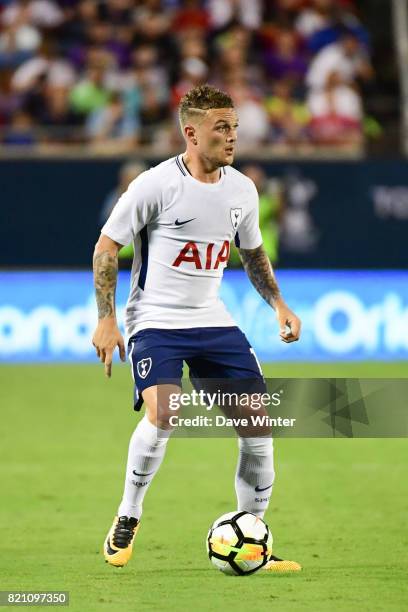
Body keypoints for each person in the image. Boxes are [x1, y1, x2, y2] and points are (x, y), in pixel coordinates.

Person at [92, 84, 302, 572]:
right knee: (165, 411)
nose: (232, 137)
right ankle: (127, 517)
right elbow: (106, 248)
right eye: (221, 128)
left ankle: (253, 537)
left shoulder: (242, 189)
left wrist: (278, 303)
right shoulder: (155, 185)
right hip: (155, 321)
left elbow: (251, 256)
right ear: (191, 132)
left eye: (234, 127)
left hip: (211, 317)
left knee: (257, 421)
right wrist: (105, 319)